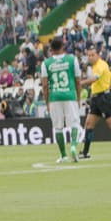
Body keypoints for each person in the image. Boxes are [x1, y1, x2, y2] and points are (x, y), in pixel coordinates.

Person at [42, 36, 81, 164]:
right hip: (69, 95)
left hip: (55, 97)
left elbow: (44, 85)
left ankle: (64, 155)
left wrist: (47, 101)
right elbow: (78, 80)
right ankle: (74, 146)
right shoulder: (72, 59)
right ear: (63, 47)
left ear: (51, 49)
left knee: (58, 127)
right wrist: (78, 97)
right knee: (74, 123)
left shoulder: (46, 63)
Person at [78, 44, 111, 159]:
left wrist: (80, 83)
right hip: (96, 99)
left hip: (104, 98)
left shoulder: (101, 65)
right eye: (89, 55)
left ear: (98, 55)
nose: (90, 57)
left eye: (92, 55)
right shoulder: (95, 66)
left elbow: (94, 79)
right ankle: (85, 152)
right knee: (88, 124)